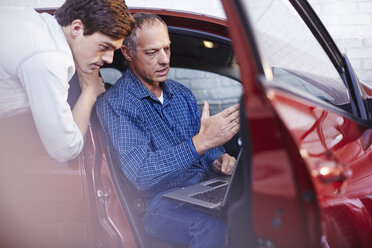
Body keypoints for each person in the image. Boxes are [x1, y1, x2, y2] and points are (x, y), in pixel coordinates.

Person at [96, 12, 240, 248]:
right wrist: (200, 143)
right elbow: (140, 173)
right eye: (152, 52)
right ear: (128, 53)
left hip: (204, 187)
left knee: (251, 207)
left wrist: (219, 157)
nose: (164, 59)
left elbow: (206, 146)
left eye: (167, 49)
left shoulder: (181, 93)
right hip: (158, 203)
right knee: (210, 226)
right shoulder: (119, 103)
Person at [0, 0, 134, 162]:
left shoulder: (32, 22)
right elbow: (64, 149)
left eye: (114, 50)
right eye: (104, 47)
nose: (109, 59)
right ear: (76, 28)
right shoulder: (50, 58)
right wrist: (90, 91)